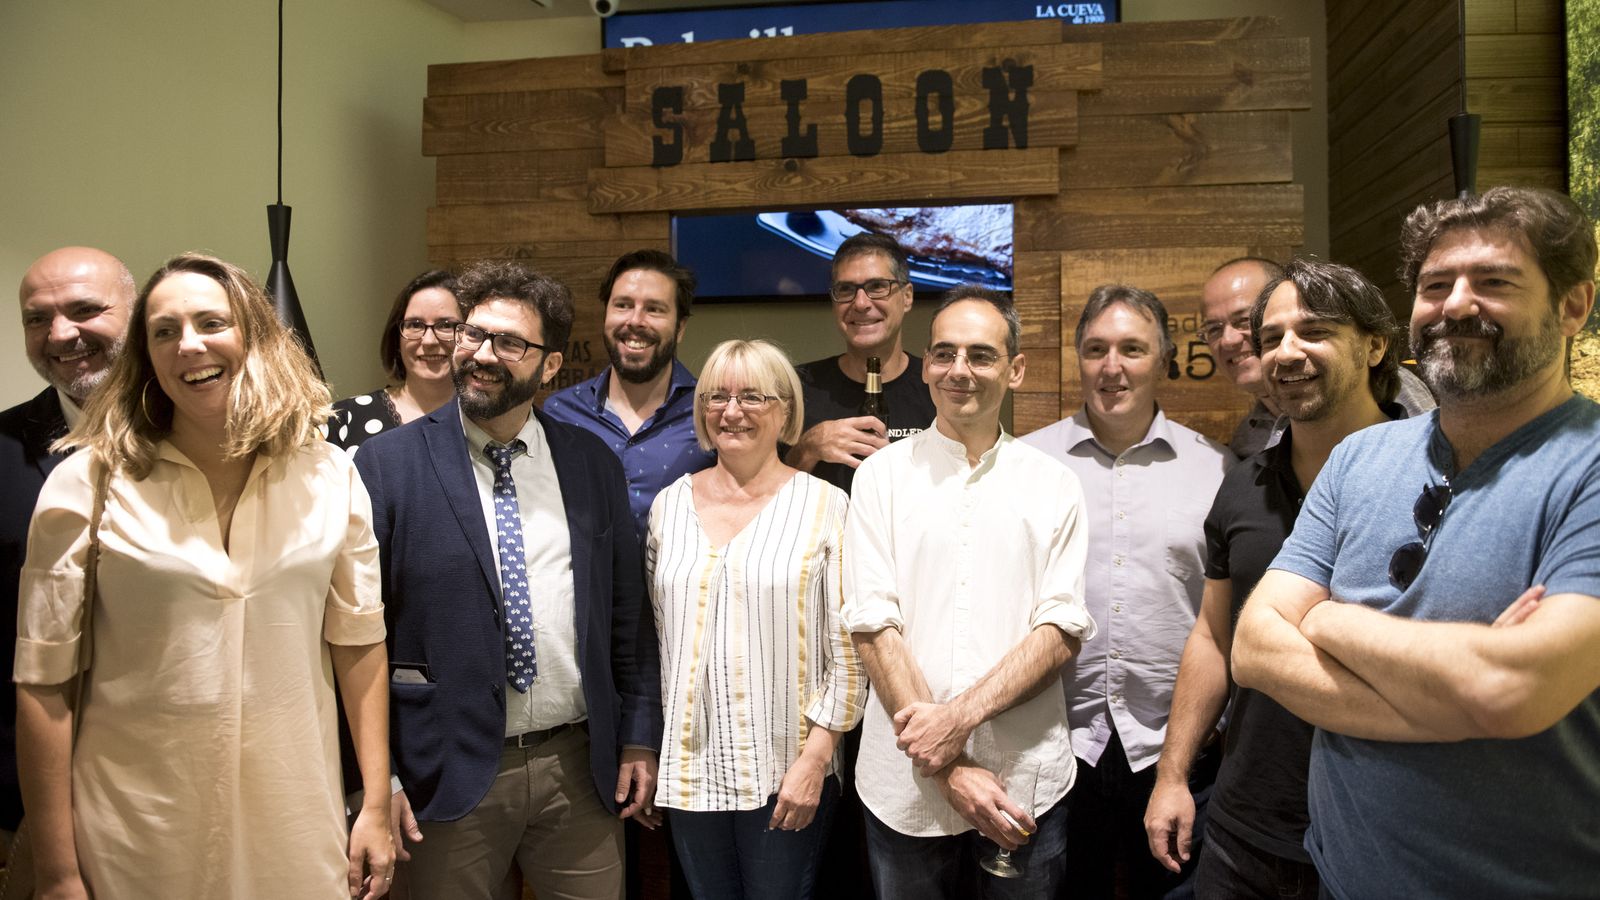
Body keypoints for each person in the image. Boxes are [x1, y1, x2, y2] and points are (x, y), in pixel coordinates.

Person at [1231, 186, 1600, 899]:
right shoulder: (1359, 459)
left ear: (1574, 306)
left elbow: (1508, 686)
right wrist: (1463, 699)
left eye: (1494, 282)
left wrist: (1330, 618)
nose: (1456, 305)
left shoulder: (1586, 465)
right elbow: (1255, 648)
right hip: (1341, 880)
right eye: (1436, 286)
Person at [15, 252, 394, 899]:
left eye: (210, 322)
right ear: (147, 354)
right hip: (136, 833)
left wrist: (378, 805)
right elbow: (42, 686)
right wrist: (57, 871)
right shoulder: (87, 481)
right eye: (164, 331)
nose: (188, 345)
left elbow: (359, 643)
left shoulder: (330, 475)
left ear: (255, 335)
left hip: (297, 825)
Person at [353, 260, 662, 899]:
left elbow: (627, 616)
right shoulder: (388, 464)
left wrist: (637, 738)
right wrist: (374, 782)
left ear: (550, 366)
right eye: (474, 334)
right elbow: (355, 632)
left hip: (577, 767)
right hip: (442, 772)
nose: (482, 355)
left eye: (510, 343)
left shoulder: (589, 463)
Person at [1144, 258, 1413, 899]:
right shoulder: (1242, 482)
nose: (1286, 353)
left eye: (1313, 331)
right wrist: (1173, 774)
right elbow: (1213, 638)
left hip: (1381, 829)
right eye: (1271, 339)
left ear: (1375, 344)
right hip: (1248, 829)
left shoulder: (1432, 477)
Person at [843, 286, 1095, 899]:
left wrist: (956, 720)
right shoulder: (880, 477)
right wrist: (948, 764)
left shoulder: (1054, 485)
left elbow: (1060, 631)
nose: (960, 370)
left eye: (981, 355)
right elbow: (873, 626)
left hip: (1023, 781)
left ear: (1015, 369)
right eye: (944, 354)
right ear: (926, 365)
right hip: (905, 789)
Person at [1021, 285, 1230, 899]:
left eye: (1132, 349)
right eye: (1096, 349)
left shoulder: (1217, 470)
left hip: (1177, 747)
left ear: (1163, 358)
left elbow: (1228, 617)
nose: (1112, 367)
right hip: (1054, 742)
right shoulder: (1027, 467)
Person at [646, 338, 865, 899]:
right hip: (691, 774)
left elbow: (849, 653)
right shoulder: (669, 506)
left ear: (786, 411)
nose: (732, 410)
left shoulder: (826, 507)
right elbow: (655, 640)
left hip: (784, 770)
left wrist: (816, 760)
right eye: (717, 396)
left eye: (752, 397)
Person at [1, 247, 133, 855]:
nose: (60, 335)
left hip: (170, 777)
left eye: (85, 310)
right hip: (26, 794)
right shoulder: (2, 450)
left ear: (137, 314)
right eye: (37, 318)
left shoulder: (208, 443)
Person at [545, 249, 714, 537]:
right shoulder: (558, 414)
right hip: (590, 583)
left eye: (654, 309)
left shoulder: (711, 412)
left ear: (680, 327)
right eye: (623, 305)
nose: (635, 320)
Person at [1202, 258, 1433, 458]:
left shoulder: (1392, 387)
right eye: (1213, 328)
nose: (1228, 340)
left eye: (1244, 320)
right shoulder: (1246, 439)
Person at [787, 232, 937, 494]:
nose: (860, 303)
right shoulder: (797, 387)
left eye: (877, 286)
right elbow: (763, 499)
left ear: (907, 296)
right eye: (845, 289)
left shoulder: (937, 387)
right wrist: (808, 448)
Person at [329, 270, 461, 452]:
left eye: (446, 325)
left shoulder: (488, 423)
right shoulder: (344, 418)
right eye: (415, 325)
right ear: (397, 337)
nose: (429, 341)